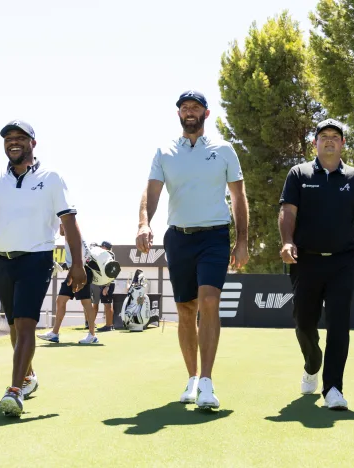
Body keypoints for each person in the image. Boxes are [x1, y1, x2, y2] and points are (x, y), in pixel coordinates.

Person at [0, 120, 86, 417]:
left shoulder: (52, 178)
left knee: (24, 324)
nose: (13, 142)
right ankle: (28, 377)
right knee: (13, 326)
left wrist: (78, 264)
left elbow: (70, 222)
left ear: (33, 143)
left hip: (37, 258)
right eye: (9, 138)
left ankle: (14, 391)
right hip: (2, 260)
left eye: (20, 137)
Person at [135, 90, 249, 410]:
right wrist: (144, 223)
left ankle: (208, 383)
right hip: (178, 238)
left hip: (214, 235)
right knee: (186, 309)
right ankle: (192, 378)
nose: (189, 112)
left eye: (195, 107)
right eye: (184, 107)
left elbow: (239, 198)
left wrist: (242, 241)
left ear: (206, 114)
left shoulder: (224, 150)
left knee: (209, 300)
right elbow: (152, 192)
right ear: (179, 115)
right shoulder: (165, 151)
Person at [278, 118, 354, 410]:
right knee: (303, 322)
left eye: (336, 136)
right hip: (305, 261)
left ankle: (333, 387)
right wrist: (287, 241)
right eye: (324, 136)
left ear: (343, 143)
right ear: (315, 143)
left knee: (339, 324)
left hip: (342, 263)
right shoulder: (299, 174)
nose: (330, 140)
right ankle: (312, 363)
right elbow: (287, 210)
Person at [37, 226, 99, 344]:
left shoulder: (73, 236)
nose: (59, 229)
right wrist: (66, 265)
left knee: (86, 303)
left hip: (81, 271)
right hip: (74, 271)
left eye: (60, 226)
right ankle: (54, 334)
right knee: (60, 300)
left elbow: (83, 256)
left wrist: (79, 271)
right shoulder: (72, 236)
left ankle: (92, 335)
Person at [92, 241, 117, 332]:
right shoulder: (106, 255)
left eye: (102, 247)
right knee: (107, 304)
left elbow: (110, 272)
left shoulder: (109, 254)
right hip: (106, 283)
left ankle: (109, 325)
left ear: (105, 247)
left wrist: (107, 286)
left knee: (107, 304)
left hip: (108, 283)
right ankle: (109, 325)